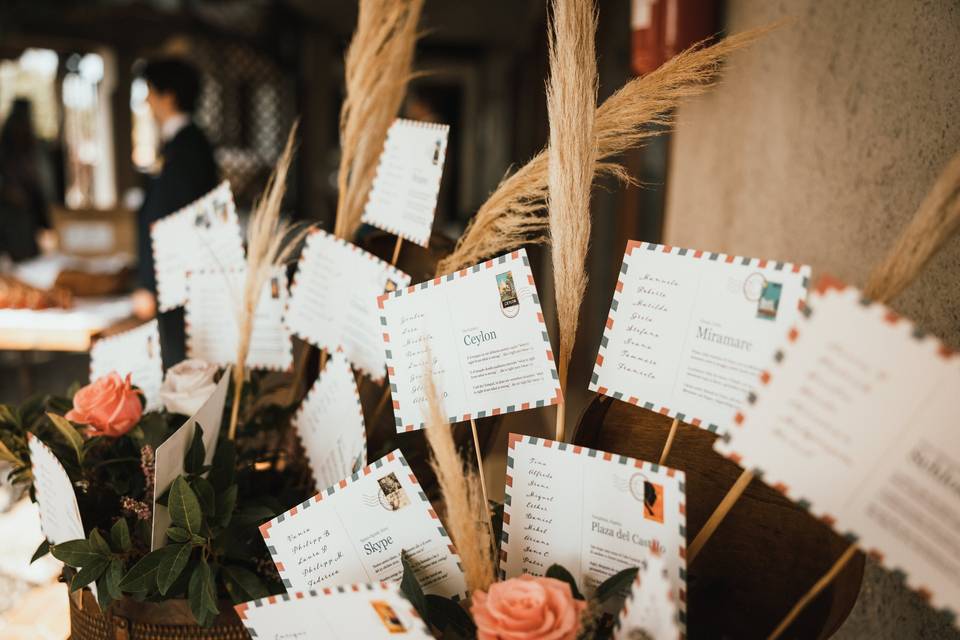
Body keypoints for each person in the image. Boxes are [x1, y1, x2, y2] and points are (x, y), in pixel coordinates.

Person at [133, 58, 218, 369]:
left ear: (168, 96)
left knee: (180, 366)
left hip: (177, 286)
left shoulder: (186, 149)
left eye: (150, 92)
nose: (146, 101)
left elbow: (171, 221)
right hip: (176, 285)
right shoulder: (184, 144)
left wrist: (149, 285)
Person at [0, 99, 54, 262]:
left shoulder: (27, 138)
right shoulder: (9, 138)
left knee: (27, 254)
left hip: (26, 207)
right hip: (11, 209)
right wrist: (9, 191)